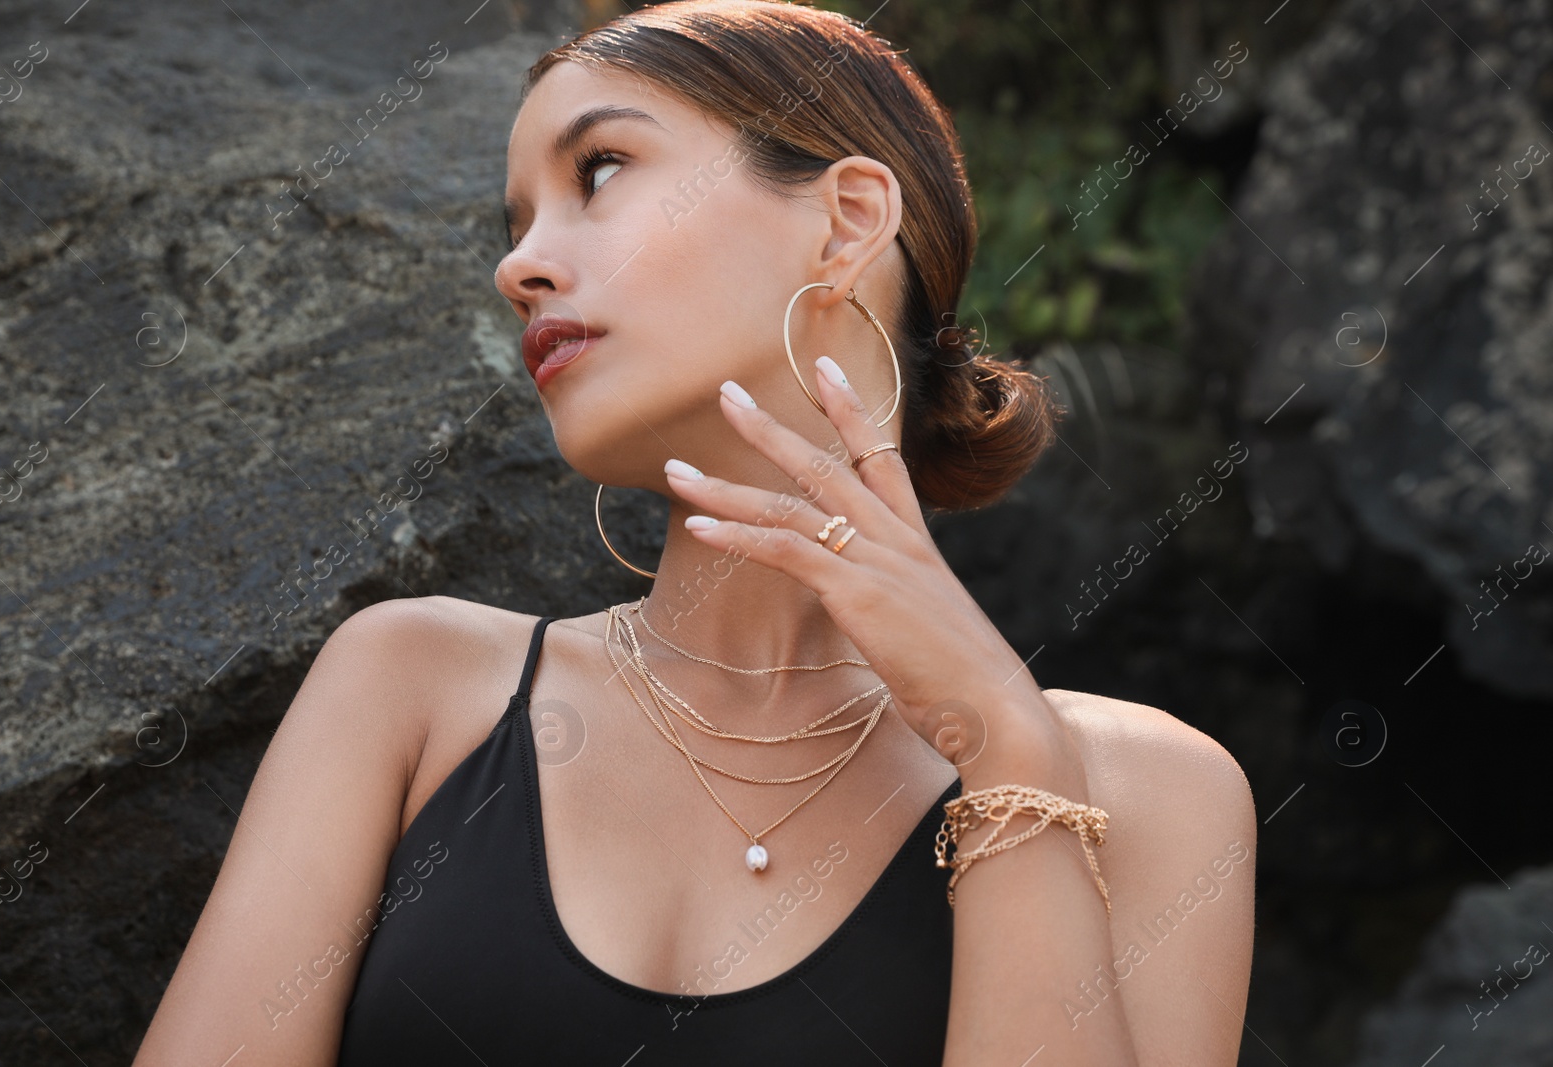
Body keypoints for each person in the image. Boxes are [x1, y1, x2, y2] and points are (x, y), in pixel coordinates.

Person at [132, 2, 1256, 1064]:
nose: (515, 266)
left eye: (600, 170)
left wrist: (1008, 749)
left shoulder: (1145, 794)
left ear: (846, 220)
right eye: (516, 220)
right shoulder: (412, 687)